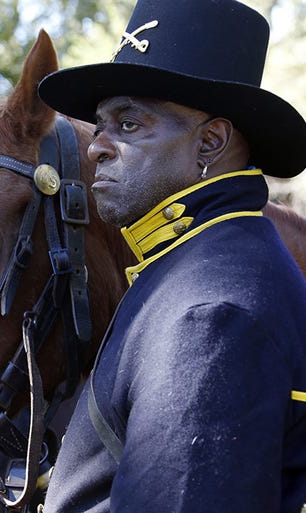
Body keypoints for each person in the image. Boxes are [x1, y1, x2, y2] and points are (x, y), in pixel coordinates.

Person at [37, 0, 306, 511]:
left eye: (129, 123)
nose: (97, 146)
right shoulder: (194, 263)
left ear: (211, 142)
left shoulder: (212, 312)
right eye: (101, 124)